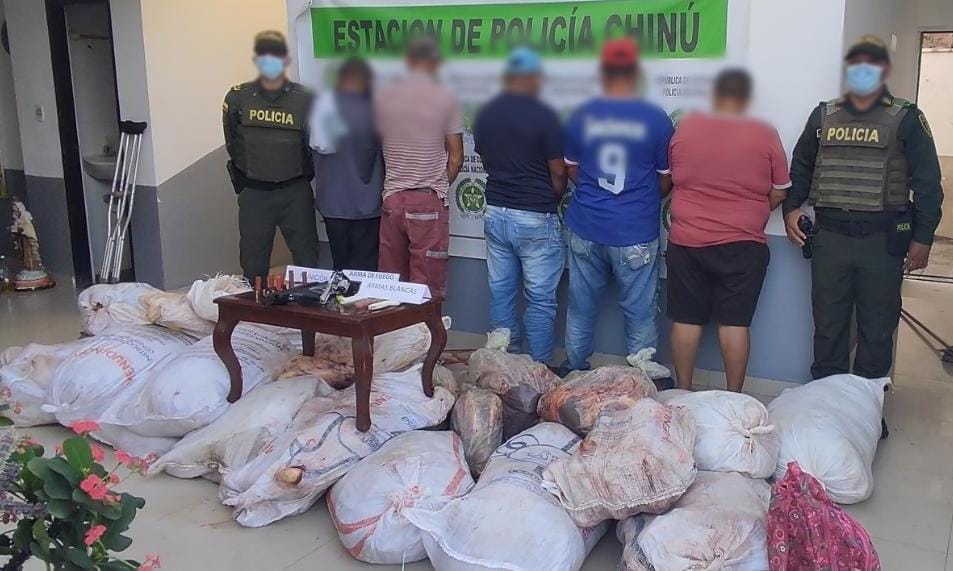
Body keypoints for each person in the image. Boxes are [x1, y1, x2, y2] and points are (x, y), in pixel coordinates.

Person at [783, 36, 943, 434]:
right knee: (829, 325)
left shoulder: (906, 117)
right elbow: (800, 167)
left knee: (876, 327)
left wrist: (922, 239)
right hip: (831, 237)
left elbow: (928, 183)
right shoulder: (823, 115)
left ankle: (868, 412)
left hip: (882, 240)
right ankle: (825, 409)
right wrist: (789, 210)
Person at [667, 69, 791, 392]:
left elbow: (675, 179)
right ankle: (734, 395)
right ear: (746, 99)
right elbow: (780, 190)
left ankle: (683, 389)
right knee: (734, 323)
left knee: (686, 319)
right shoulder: (764, 133)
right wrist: (752, 209)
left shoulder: (686, 129)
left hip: (687, 241)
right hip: (743, 244)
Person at [561, 38, 674, 372]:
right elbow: (665, 179)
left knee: (581, 308)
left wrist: (596, 193)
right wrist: (636, 198)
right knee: (639, 313)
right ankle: (642, 384)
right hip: (635, 230)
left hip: (586, 225)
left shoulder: (582, 114)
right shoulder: (656, 118)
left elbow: (571, 168)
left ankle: (574, 376)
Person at [473, 47, 567, 363]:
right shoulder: (545, 116)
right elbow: (558, 171)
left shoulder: (485, 114)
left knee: (501, 291)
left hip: (496, 211)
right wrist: (546, 195)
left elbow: (486, 160)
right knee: (540, 300)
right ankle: (537, 372)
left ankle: (504, 367)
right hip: (535, 216)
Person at [223, 31, 319, 280]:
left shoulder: (304, 98)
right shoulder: (237, 97)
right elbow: (232, 142)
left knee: (307, 259)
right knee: (253, 261)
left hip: (295, 190)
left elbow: (311, 144)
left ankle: (308, 312)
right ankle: (253, 312)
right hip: (255, 193)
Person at [374, 36, 464, 297]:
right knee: (427, 288)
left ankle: (392, 337)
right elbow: (456, 157)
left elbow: (382, 145)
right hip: (426, 200)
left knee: (390, 285)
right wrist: (436, 183)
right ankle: (425, 338)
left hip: (392, 200)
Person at [310, 58, 383, 271]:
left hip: (333, 205)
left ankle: (340, 304)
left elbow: (313, 148)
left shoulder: (321, 108)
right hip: (368, 206)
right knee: (365, 273)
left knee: (340, 269)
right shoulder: (373, 110)